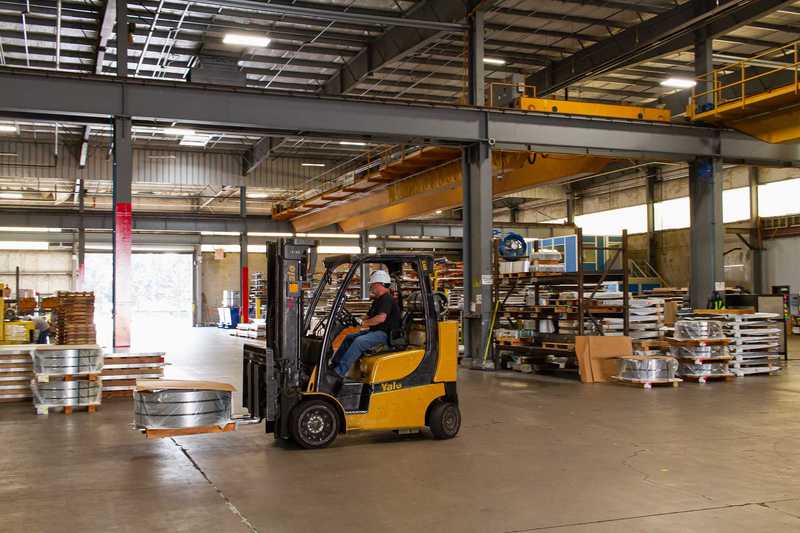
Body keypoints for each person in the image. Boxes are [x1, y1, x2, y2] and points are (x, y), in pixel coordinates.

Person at [322, 270, 401, 393]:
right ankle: (334, 365)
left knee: (359, 341)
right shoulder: (378, 300)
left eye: (373, 285)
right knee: (350, 337)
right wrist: (356, 319)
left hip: (386, 334)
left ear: (379, 284)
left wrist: (364, 324)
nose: (371, 287)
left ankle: (338, 373)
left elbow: (381, 318)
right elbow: (368, 316)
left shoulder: (387, 299)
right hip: (376, 331)